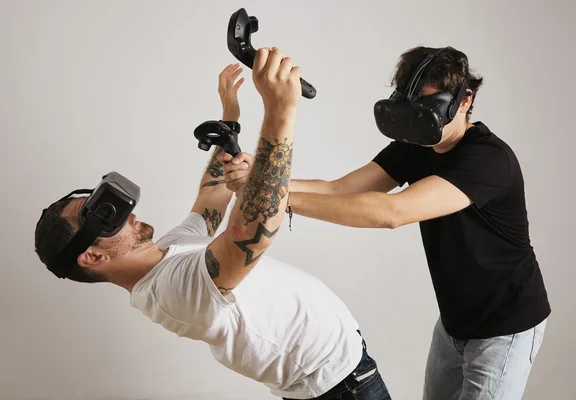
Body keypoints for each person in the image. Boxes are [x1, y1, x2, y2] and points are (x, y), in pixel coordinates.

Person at [33, 49, 391, 400]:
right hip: (342, 387)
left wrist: (229, 120)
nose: (129, 215)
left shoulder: (167, 254)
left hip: (340, 374)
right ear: (92, 258)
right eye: (105, 218)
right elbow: (252, 230)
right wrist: (281, 110)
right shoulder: (172, 292)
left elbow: (212, 197)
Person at [222, 46, 551, 400]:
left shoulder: (488, 159)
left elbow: (391, 213)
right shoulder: (418, 147)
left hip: (505, 326)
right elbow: (340, 188)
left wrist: (276, 198)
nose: (418, 121)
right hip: (455, 321)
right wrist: (263, 174)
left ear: (465, 100)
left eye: (429, 109)